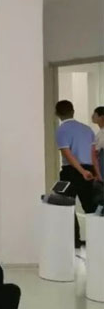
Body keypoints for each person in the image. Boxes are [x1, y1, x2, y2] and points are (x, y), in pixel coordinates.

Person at [55, 100, 98, 248]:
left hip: (71, 171)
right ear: (73, 111)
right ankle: (97, 240)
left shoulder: (62, 130)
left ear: (57, 114)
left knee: (67, 206)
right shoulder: (87, 129)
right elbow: (94, 153)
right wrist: (94, 172)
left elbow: (67, 154)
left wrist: (81, 171)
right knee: (91, 206)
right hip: (90, 169)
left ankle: (75, 240)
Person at [92, 106, 104, 182]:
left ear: (102, 117)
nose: (92, 116)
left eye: (95, 114)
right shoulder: (100, 133)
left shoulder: (102, 134)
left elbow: (95, 153)